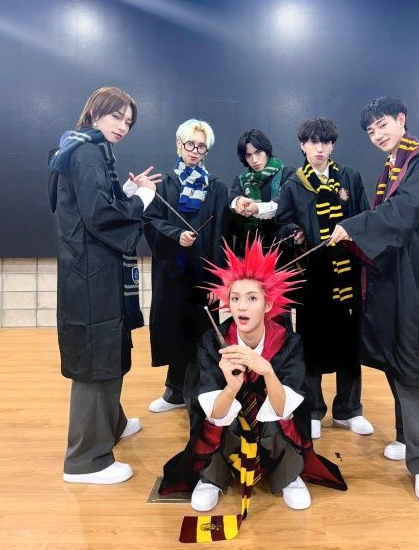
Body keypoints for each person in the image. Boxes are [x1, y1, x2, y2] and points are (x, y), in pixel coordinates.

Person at [158, 239, 346, 543]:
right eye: (235, 298)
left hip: (273, 429)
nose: (241, 306)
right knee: (218, 418)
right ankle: (213, 477)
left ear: (268, 305)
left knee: (276, 415)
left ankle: (287, 474)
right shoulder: (212, 342)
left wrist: (267, 371)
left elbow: (285, 408)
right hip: (228, 429)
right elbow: (213, 412)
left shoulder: (288, 343)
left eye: (252, 298)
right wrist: (231, 387)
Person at [329, 97, 419, 503]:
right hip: (389, 276)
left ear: (401, 120)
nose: (377, 135)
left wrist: (353, 225)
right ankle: (405, 436)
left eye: (383, 125)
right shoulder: (392, 166)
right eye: (370, 130)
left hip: (415, 277)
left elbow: (404, 211)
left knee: (414, 357)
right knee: (393, 354)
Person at [48, 86, 158, 484]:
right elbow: (99, 216)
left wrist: (125, 192)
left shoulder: (79, 148)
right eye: (116, 117)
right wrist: (141, 200)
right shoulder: (87, 152)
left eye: (128, 121)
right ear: (95, 113)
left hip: (92, 271)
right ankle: (86, 460)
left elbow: (88, 204)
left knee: (109, 348)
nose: (123, 126)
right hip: (91, 274)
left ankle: (112, 423)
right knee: (96, 358)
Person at [275, 118, 373, 440]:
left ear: (332, 145)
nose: (320, 148)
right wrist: (293, 232)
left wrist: (351, 232)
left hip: (347, 274)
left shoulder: (349, 178)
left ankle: (349, 410)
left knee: (349, 343)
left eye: (326, 142)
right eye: (313, 142)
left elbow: (364, 216)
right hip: (313, 277)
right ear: (302, 145)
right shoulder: (293, 183)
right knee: (311, 344)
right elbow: (282, 223)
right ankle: (313, 410)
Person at [143, 119, 229, 413]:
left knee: (203, 333)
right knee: (174, 330)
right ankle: (174, 392)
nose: (194, 150)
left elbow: (222, 235)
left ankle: (202, 394)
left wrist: (219, 281)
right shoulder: (164, 184)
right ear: (179, 144)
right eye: (190, 143)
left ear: (207, 151)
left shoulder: (216, 188)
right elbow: (151, 221)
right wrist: (175, 235)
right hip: (173, 272)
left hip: (204, 273)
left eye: (201, 146)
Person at [229, 129, 295, 255]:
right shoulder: (242, 179)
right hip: (247, 252)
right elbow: (232, 199)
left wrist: (256, 209)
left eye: (258, 152)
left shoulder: (287, 174)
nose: (254, 160)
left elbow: (284, 206)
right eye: (248, 155)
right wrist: (238, 202)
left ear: (267, 151)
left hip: (280, 251)